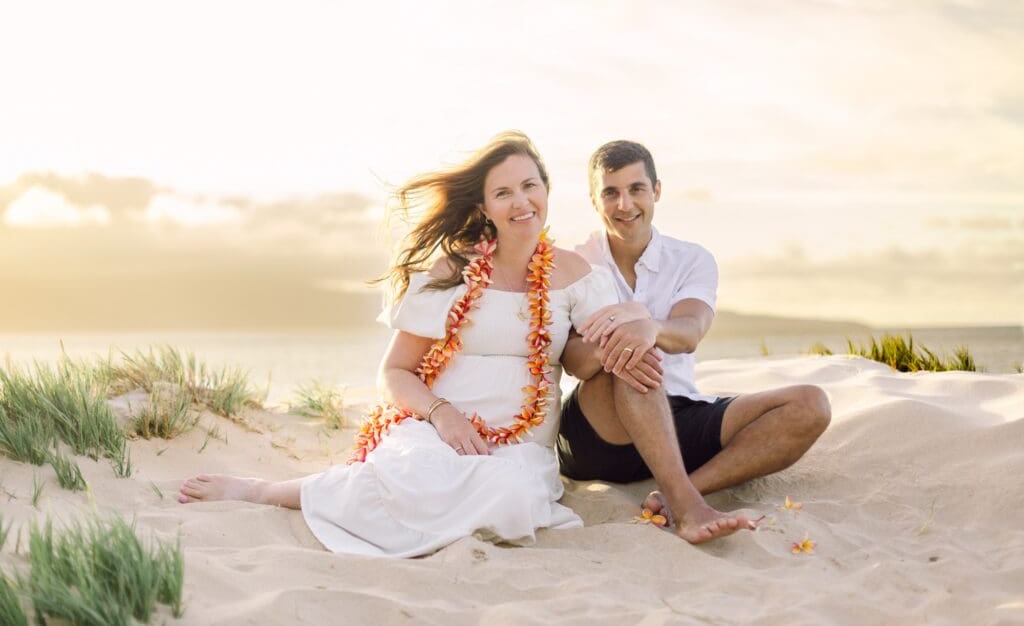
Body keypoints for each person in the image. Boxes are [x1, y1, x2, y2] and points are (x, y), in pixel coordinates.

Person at [178, 131, 640, 558]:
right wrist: (444, 416)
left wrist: (636, 323)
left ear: (546, 190)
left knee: (512, 497)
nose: (521, 202)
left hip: (519, 445)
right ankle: (264, 492)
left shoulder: (577, 274)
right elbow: (394, 372)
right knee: (412, 474)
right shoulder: (452, 272)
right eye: (503, 193)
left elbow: (587, 359)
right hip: (439, 428)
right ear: (483, 207)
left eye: (529, 186)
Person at [558, 140, 831, 544]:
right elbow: (575, 363)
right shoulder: (576, 263)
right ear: (594, 200)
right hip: (597, 433)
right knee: (633, 354)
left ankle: (678, 491)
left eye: (636, 189)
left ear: (657, 191)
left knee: (810, 405)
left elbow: (689, 331)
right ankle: (689, 510)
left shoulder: (691, 259)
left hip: (674, 418)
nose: (624, 204)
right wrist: (625, 339)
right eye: (611, 192)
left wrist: (648, 324)